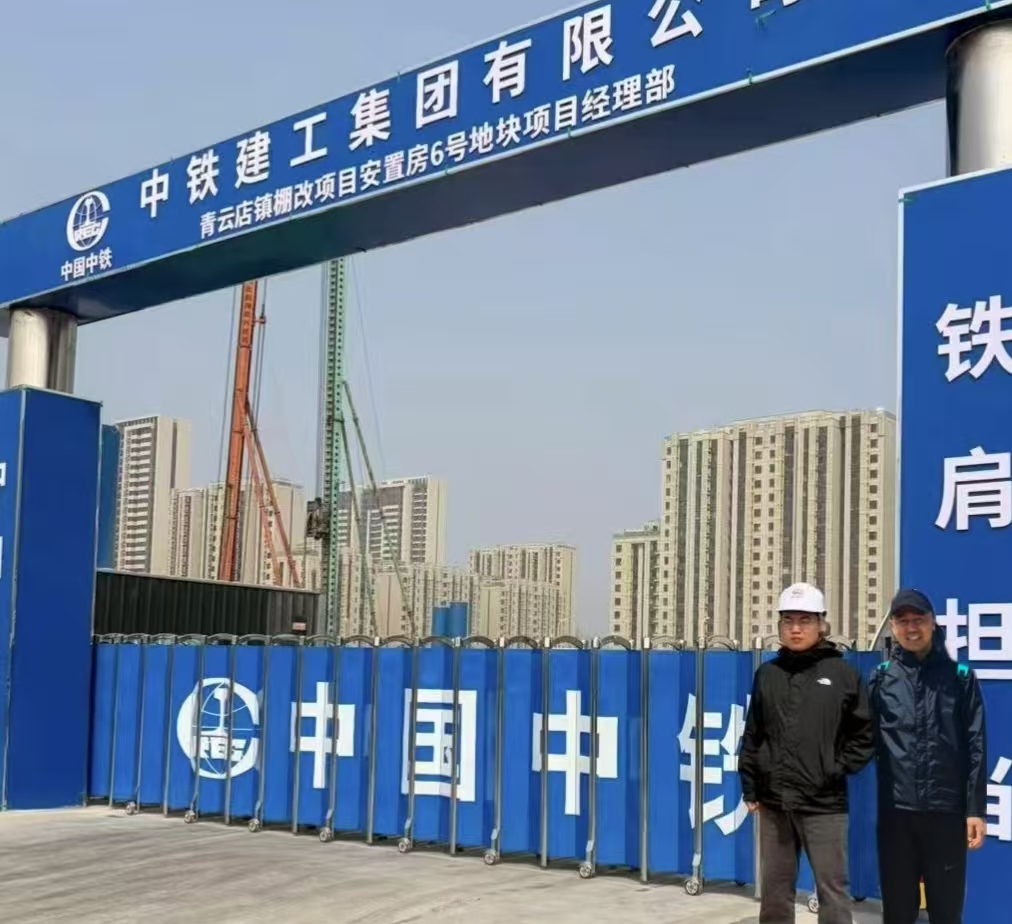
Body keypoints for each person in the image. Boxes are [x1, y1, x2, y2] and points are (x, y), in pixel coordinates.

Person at [739, 581, 874, 924]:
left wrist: (834, 768)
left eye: (805, 620)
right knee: (774, 890)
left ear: (821, 624)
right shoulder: (768, 674)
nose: (796, 629)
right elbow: (754, 733)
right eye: (788, 620)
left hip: (824, 802)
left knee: (833, 890)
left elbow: (864, 734)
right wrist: (750, 785)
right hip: (774, 801)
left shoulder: (843, 674)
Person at [868, 588, 988, 924]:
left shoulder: (960, 678)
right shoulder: (881, 679)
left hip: (946, 814)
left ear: (933, 623)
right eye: (903, 621)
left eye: (918, 619)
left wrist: (975, 810)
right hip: (896, 815)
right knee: (898, 911)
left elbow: (976, 746)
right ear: (893, 627)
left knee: (946, 911)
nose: (911, 628)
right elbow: (862, 742)